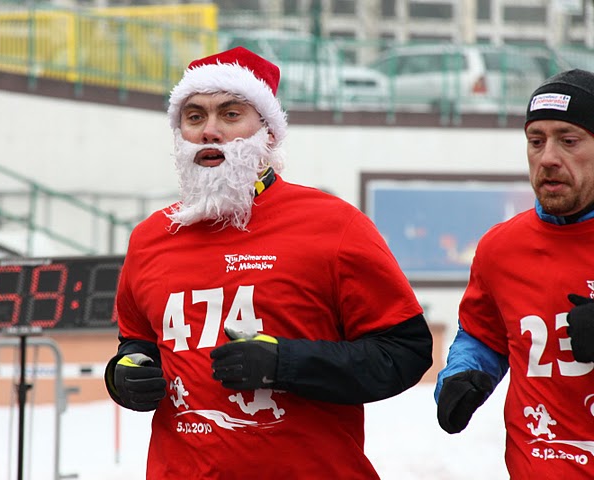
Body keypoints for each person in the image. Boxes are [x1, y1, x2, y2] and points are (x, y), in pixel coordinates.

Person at [103, 46, 433, 479]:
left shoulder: (334, 225)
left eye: (231, 114)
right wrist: (123, 375)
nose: (210, 131)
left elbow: (406, 353)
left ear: (269, 133)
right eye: (195, 116)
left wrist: (286, 363)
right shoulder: (150, 238)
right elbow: (139, 343)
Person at [435, 69, 594, 479]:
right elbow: (483, 333)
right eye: (536, 141)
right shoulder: (500, 247)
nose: (548, 158)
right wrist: (463, 374)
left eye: (569, 140)